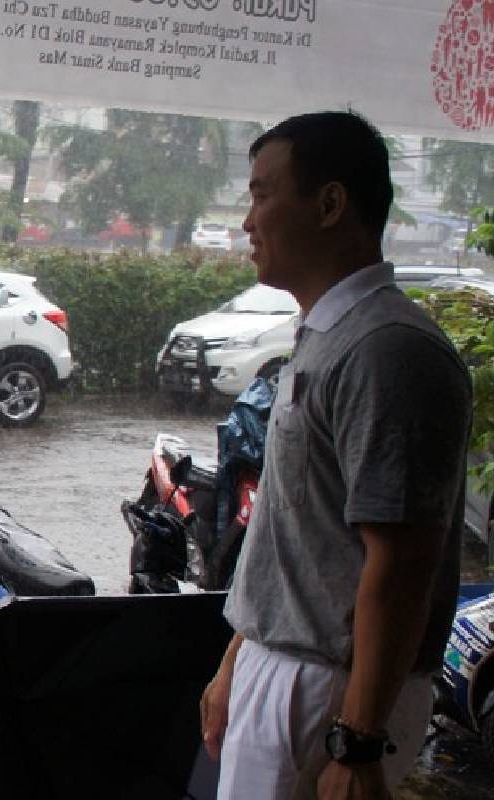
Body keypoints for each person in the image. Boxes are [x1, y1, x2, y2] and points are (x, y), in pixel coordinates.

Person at [198, 111, 472, 800]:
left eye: (263, 194)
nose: (247, 221)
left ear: (329, 204)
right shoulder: (328, 335)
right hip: (285, 670)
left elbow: (403, 560)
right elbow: (300, 531)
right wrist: (241, 655)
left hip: (325, 693)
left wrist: (358, 740)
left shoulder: (389, 351)